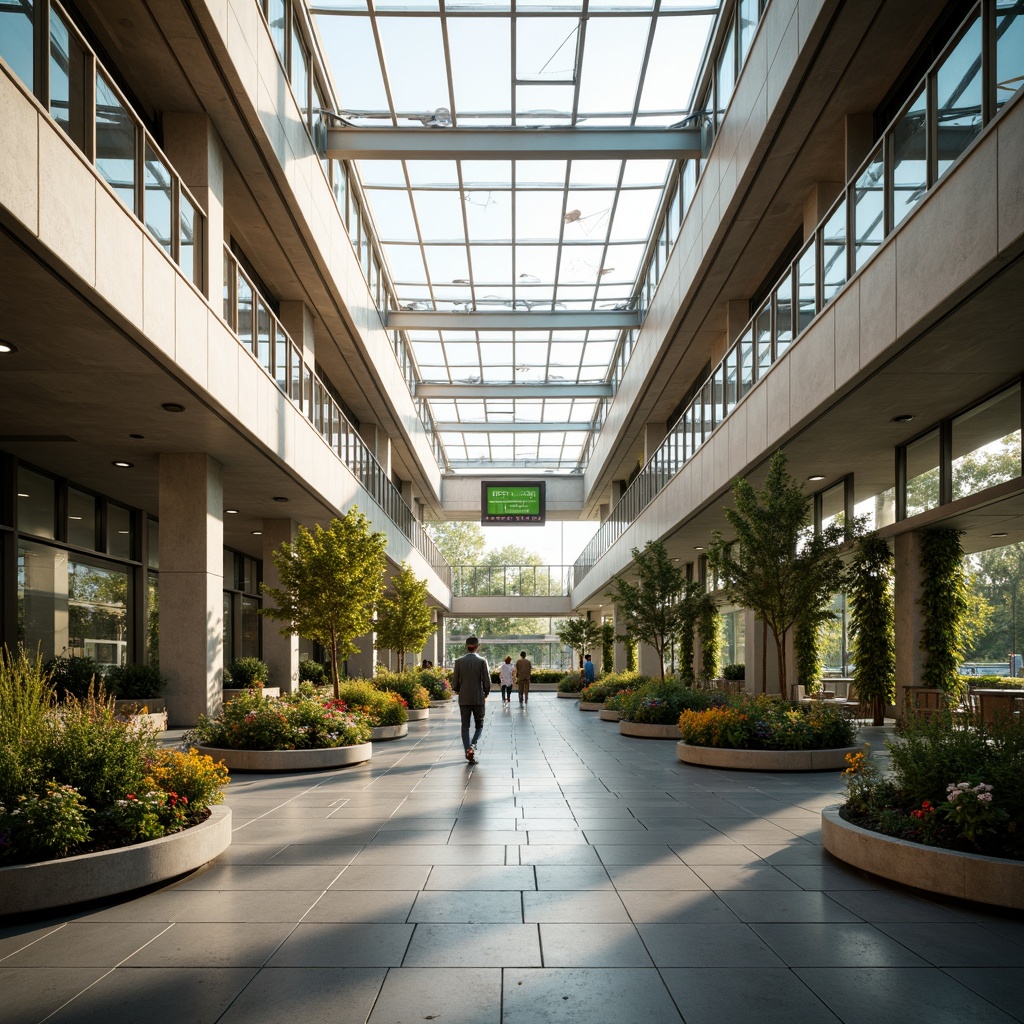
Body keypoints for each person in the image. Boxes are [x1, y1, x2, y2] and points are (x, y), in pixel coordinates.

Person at [452, 635, 490, 763]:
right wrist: (486, 693)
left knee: (465, 726)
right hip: (478, 698)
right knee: (479, 725)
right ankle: (473, 746)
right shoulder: (482, 661)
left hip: (464, 699)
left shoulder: (459, 662)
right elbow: (486, 681)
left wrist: (459, 690)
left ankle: (467, 749)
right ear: (477, 646)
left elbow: (455, 684)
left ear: (467, 646)